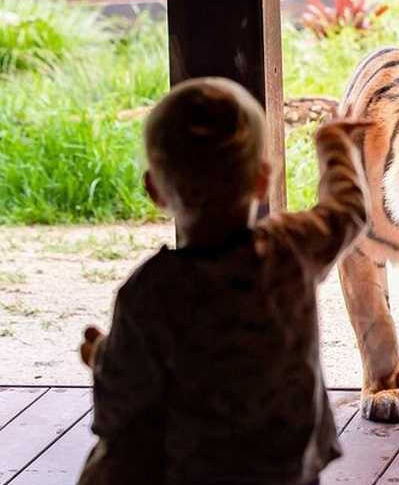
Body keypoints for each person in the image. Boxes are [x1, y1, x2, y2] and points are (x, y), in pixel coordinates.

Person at [77, 76, 371, 485]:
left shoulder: (152, 291)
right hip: (288, 469)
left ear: (155, 190)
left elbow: (119, 401)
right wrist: (334, 145)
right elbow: (348, 211)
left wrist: (101, 355)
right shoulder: (291, 249)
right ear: (263, 180)